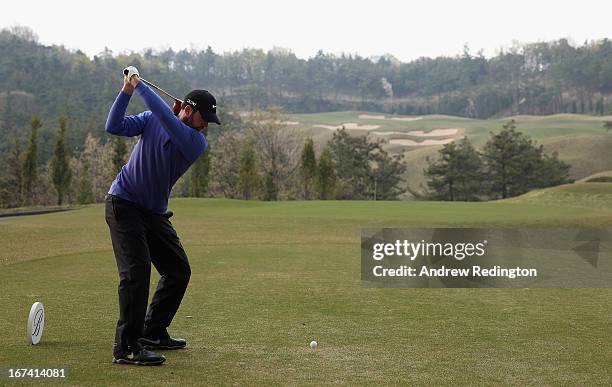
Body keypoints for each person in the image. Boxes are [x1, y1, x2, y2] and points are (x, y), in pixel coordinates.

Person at [104, 66, 220, 365]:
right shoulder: (153, 119)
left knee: (178, 270)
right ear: (190, 110)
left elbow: (169, 119)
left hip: (154, 213)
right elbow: (113, 126)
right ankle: (127, 347)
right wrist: (127, 91)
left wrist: (140, 86)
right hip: (124, 204)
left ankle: (153, 332)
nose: (206, 125)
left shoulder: (195, 142)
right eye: (204, 117)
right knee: (137, 273)